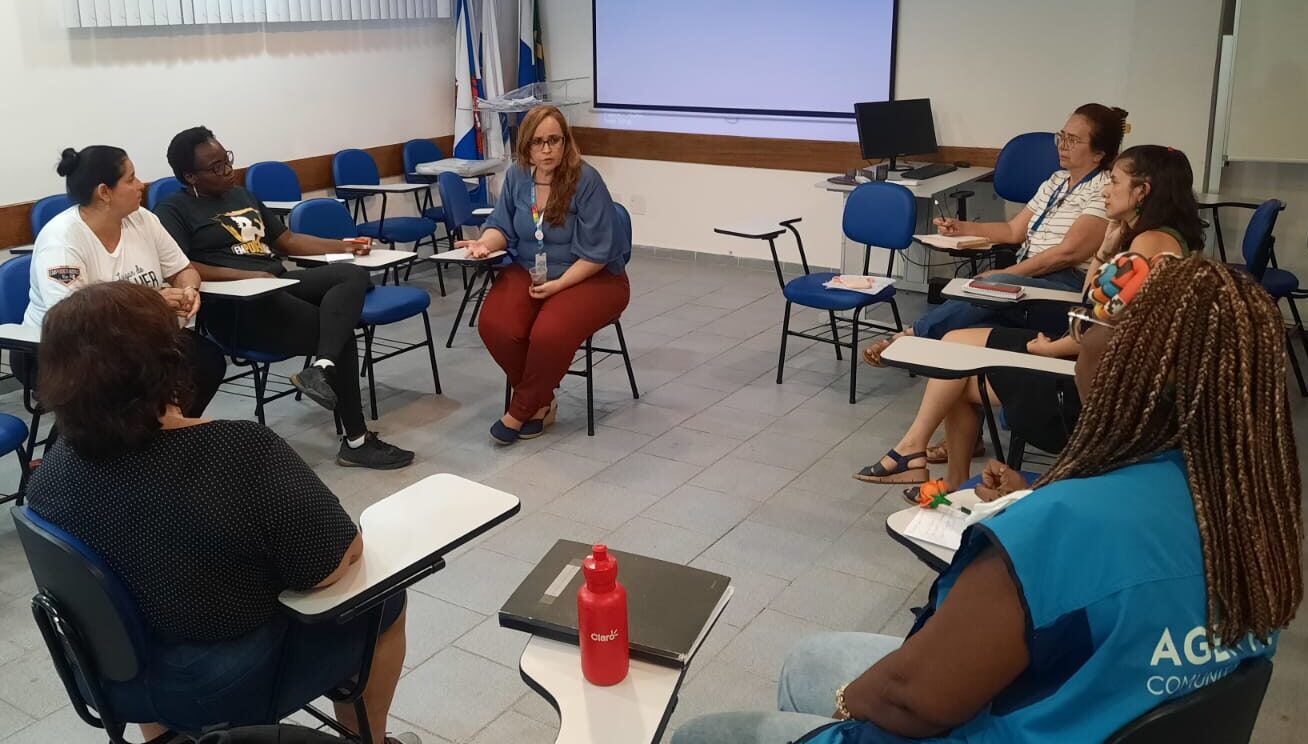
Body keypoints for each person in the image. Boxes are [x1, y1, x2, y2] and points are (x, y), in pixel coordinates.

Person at [673, 255, 1301, 743]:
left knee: (706, 734)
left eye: (1084, 327)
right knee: (811, 658)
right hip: (1099, 710)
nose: (1077, 341)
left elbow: (911, 698)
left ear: (1127, 363)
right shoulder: (1251, 508)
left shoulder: (1060, 526)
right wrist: (1036, 491)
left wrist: (849, 704)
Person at [24, 282, 420, 744]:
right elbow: (333, 564)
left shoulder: (51, 472)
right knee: (385, 600)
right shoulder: (238, 450)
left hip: (110, 679)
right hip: (220, 682)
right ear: (169, 359)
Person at [855, 145, 1203, 488]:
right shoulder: (1155, 239)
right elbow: (1092, 305)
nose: (1105, 191)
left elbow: (1106, 329)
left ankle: (922, 460)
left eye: (1114, 182)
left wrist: (1051, 349)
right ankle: (922, 458)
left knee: (954, 371)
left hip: (1089, 385)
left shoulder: (1148, 247)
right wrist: (1105, 249)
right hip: (1090, 360)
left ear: (1142, 191)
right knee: (954, 344)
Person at [155, 126, 412, 470]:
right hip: (240, 304)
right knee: (338, 335)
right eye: (216, 167)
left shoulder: (241, 195)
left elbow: (287, 241)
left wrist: (345, 246)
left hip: (276, 282)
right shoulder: (173, 209)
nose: (228, 170)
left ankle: (320, 368)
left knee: (352, 275)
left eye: (227, 160)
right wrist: (246, 276)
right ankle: (356, 441)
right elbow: (183, 267)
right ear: (190, 176)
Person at [864, 103, 1127, 364]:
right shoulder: (1057, 181)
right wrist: (962, 227)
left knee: (989, 286)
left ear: (1098, 154)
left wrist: (1007, 274)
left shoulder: (1102, 190)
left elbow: (1066, 254)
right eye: (1062, 136)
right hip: (1035, 274)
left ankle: (911, 336)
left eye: (1073, 140)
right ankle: (924, 345)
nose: (1062, 145)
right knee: (976, 310)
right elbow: (1013, 231)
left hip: (1066, 283)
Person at [456, 105, 631, 445]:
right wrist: (483, 244)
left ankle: (520, 410)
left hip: (592, 276)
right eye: (538, 142)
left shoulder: (586, 179)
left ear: (566, 141)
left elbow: (597, 253)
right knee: (495, 325)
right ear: (526, 146)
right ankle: (543, 401)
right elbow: (500, 226)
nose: (547, 150)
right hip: (532, 269)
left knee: (549, 333)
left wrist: (558, 285)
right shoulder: (518, 177)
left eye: (554, 140)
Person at [21, 145, 225, 416]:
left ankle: (169, 433)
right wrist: (150, 303)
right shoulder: (62, 241)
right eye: (131, 179)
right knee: (133, 380)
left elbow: (183, 270)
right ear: (104, 192)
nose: (141, 185)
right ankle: (95, 443)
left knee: (205, 361)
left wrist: (189, 289)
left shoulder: (142, 219)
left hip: (133, 339)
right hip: (65, 351)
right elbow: (74, 320)